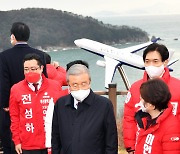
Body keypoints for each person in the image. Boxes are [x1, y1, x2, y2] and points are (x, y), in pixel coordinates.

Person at [123, 43, 180, 153]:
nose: (151, 65)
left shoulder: (178, 87)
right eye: (147, 61)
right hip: (142, 145)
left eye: (155, 61)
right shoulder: (135, 88)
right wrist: (130, 146)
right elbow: (129, 118)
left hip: (171, 143)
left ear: (165, 62)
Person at [0, 22, 47, 153]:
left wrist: (5, 104)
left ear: (13, 37)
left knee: (11, 139)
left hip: (13, 104)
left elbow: (3, 82)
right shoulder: (40, 54)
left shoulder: (4, 56)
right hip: (36, 104)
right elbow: (45, 79)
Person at [51, 63, 118, 154]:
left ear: (89, 82)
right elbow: (55, 137)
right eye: (75, 85)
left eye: (83, 84)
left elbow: (111, 141)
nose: (80, 88)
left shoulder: (104, 105)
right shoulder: (61, 104)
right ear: (69, 85)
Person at [9, 53, 64, 154]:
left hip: (51, 142)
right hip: (28, 144)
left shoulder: (54, 86)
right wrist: (17, 141)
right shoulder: (16, 89)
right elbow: (14, 117)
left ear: (41, 68)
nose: (29, 72)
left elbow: (62, 113)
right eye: (26, 69)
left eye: (33, 69)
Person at [135, 79, 180, 154]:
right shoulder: (145, 120)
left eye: (142, 98)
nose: (139, 101)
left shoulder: (171, 128)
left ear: (151, 105)